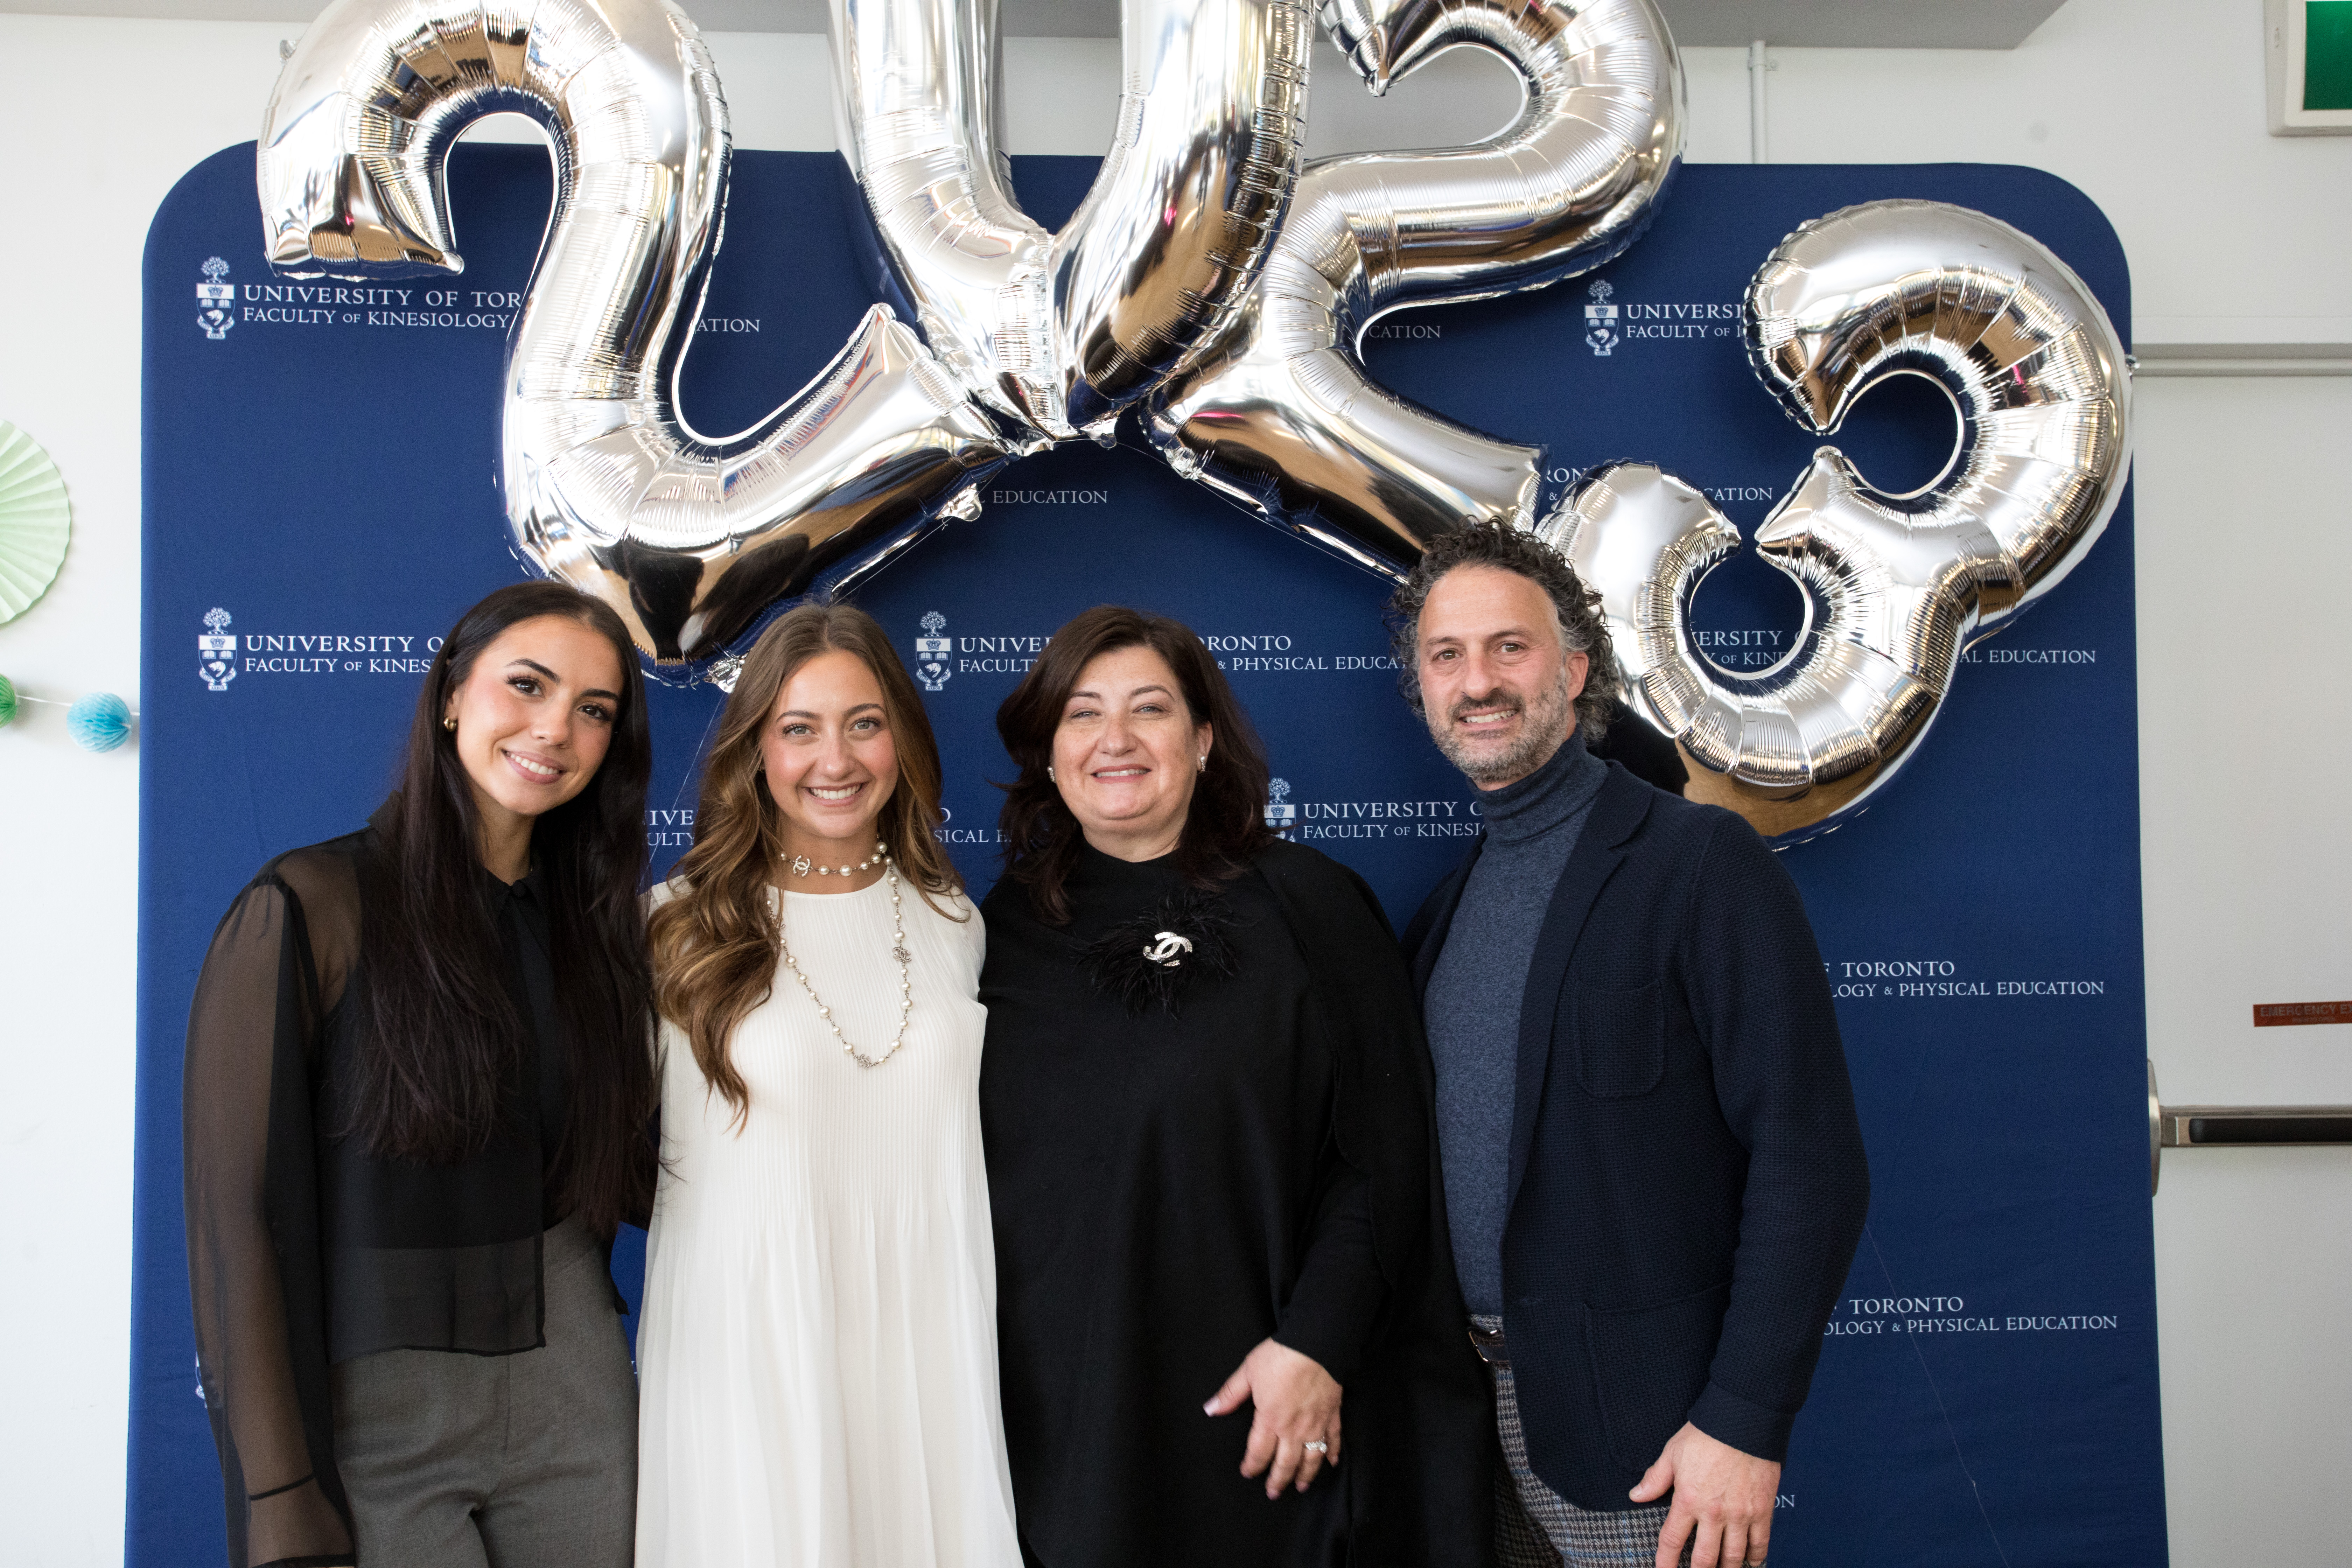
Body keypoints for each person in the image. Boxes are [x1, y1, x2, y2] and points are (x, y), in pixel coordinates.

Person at [1388, 522, 1871, 1568]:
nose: (1478, 681)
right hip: (1470, 1434)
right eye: (1446, 656)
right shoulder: (1445, 911)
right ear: (1423, 690)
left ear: (1572, 668)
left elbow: (1812, 1160)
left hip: (1653, 1444)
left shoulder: (1699, 864)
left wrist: (1745, 1420)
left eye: (1509, 648)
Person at [978, 604, 1494, 1568]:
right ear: (1050, 750)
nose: (1116, 740)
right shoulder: (992, 934)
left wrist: (1317, 1347)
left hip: (1268, 1418)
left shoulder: (1311, 907)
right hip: (1058, 1430)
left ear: (1205, 740)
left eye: (1151, 709)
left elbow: (1383, 1163)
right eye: (1083, 714)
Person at [183, 581, 659, 1568]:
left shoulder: (602, 932)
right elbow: (239, 1218)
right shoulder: (310, 904)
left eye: (594, 710)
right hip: (376, 1413)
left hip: (576, 1385)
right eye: (526, 686)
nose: (554, 729)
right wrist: (279, 1488)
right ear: (452, 694)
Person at [635, 602, 1020, 1568]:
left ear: (902, 737)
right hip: (752, 1363)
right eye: (798, 729)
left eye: (864, 723)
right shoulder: (672, 932)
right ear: (754, 750)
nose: (835, 761)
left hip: (928, 1352)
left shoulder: (955, 922)